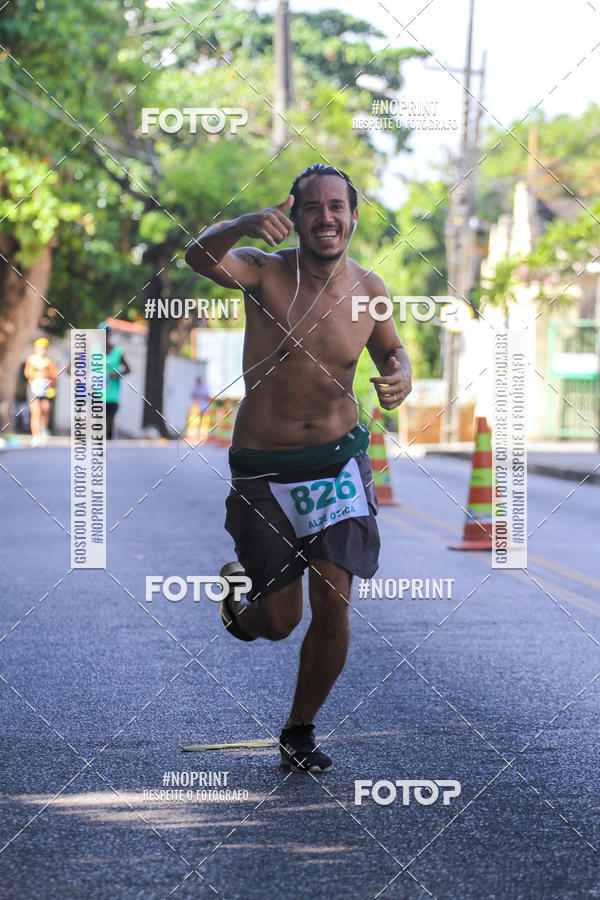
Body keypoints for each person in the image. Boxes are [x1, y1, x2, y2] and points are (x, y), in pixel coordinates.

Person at [185, 164, 412, 773]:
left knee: (334, 602)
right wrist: (239, 224)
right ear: (296, 215)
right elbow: (197, 258)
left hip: (338, 463)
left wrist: (401, 374)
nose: (326, 218)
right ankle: (242, 602)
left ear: (353, 217)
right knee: (280, 622)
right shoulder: (264, 270)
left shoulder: (371, 288)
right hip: (266, 468)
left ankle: (299, 730)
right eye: (312, 207)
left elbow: (392, 347)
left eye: (337, 207)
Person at [24, 337, 58, 446]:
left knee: (45, 410)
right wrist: (35, 373)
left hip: (45, 389)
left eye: (43, 348)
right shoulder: (31, 359)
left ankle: (43, 430)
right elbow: (26, 372)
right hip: (34, 388)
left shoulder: (49, 361)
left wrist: (46, 374)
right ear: (36, 348)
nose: (41, 350)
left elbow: (55, 374)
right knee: (36, 412)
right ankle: (35, 436)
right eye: (39, 348)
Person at [102, 325, 131, 439]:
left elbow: (128, 368)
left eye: (106, 332)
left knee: (110, 417)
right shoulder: (93, 350)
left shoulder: (117, 351)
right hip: (96, 389)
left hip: (112, 391)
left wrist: (117, 374)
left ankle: (109, 438)